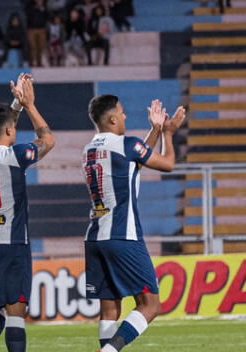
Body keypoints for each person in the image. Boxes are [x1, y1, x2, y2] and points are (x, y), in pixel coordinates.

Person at [82, 96, 186, 352]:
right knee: (151, 305)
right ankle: (108, 351)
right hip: (122, 235)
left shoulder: (89, 149)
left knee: (109, 309)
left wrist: (155, 130)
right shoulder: (126, 145)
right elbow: (168, 164)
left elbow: (136, 161)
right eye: (123, 112)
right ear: (113, 119)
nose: (126, 117)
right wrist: (169, 134)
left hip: (96, 236)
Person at [0, 73, 55, 352]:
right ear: (9, 131)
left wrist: (14, 107)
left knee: (0, 305)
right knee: (17, 310)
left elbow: (1, 130)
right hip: (12, 243)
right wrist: (28, 105)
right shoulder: (15, 156)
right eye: (13, 128)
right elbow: (47, 140)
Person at [25, 0, 48, 67]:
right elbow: (27, 13)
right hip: (31, 29)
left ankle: (39, 62)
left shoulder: (44, 6)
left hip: (41, 28)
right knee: (32, 46)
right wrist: (36, 7)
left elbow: (48, 16)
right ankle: (32, 62)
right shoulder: (29, 4)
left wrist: (42, 8)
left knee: (41, 46)